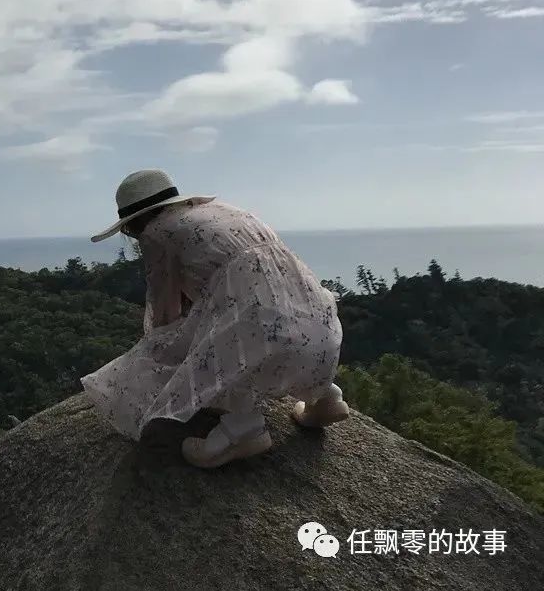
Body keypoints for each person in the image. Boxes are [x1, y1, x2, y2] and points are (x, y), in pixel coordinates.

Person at [81, 169, 349, 468]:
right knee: (272, 331)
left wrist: (161, 344)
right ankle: (326, 396)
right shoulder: (224, 210)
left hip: (254, 316)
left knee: (218, 351)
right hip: (309, 305)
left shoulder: (157, 232)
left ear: (134, 222)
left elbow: (164, 302)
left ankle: (243, 429)